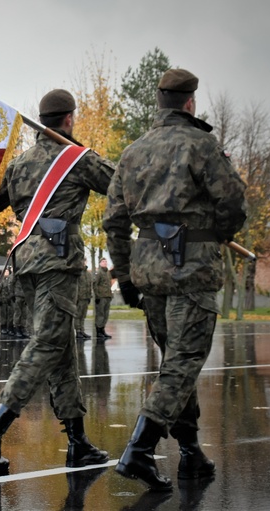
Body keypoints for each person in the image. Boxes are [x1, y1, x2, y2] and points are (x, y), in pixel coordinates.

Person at [104, 68, 247, 490]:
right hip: (191, 268)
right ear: (190, 103)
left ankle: (190, 452)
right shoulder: (201, 144)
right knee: (183, 364)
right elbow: (234, 202)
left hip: (149, 271)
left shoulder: (133, 151)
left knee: (174, 365)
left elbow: (113, 221)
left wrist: (124, 273)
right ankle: (140, 451)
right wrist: (219, 234)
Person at [0, 89, 113, 473]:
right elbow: (118, 182)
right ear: (68, 119)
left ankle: (78, 441)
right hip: (58, 263)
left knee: (62, 349)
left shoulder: (18, 165)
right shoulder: (76, 159)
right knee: (47, 343)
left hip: (27, 264)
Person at [92, 258, 113, 339]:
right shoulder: (99, 272)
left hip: (107, 296)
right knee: (100, 314)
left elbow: (109, 284)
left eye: (106, 261)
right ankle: (99, 331)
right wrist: (97, 296)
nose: (105, 263)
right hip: (101, 297)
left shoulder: (108, 272)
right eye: (103, 262)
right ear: (100, 263)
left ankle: (103, 330)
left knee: (105, 314)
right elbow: (95, 284)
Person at [74, 267, 93, 340]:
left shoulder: (88, 274)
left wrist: (90, 296)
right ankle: (78, 331)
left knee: (83, 315)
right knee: (78, 315)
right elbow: (75, 285)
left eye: (85, 261)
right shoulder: (78, 273)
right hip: (80, 297)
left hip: (86, 297)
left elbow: (90, 285)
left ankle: (82, 331)